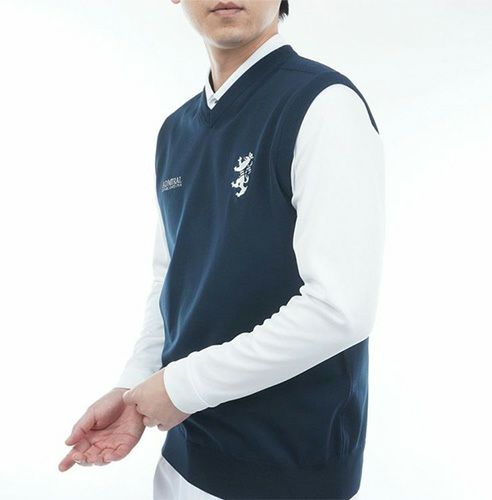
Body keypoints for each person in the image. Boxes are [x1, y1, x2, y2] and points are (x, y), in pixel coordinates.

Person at [58, 1, 385, 499]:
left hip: (287, 470)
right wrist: (134, 387)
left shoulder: (323, 105)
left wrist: (180, 387)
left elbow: (340, 310)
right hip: (183, 457)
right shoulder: (176, 131)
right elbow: (171, 282)